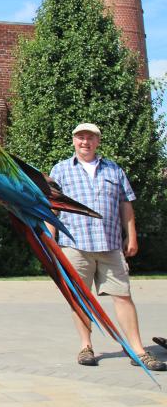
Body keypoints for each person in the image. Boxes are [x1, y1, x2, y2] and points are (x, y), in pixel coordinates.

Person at [47, 123, 166, 371]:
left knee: (123, 296)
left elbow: (126, 205)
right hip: (74, 244)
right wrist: (50, 240)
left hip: (110, 244)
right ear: (73, 141)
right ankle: (85, 346)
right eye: (80, 137)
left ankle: (137, 349)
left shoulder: (114, 169)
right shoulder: (60, 170)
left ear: (97, 142)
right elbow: (52, 208)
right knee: (79, 299)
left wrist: (131, 236)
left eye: (90, 138)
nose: (85, 142)